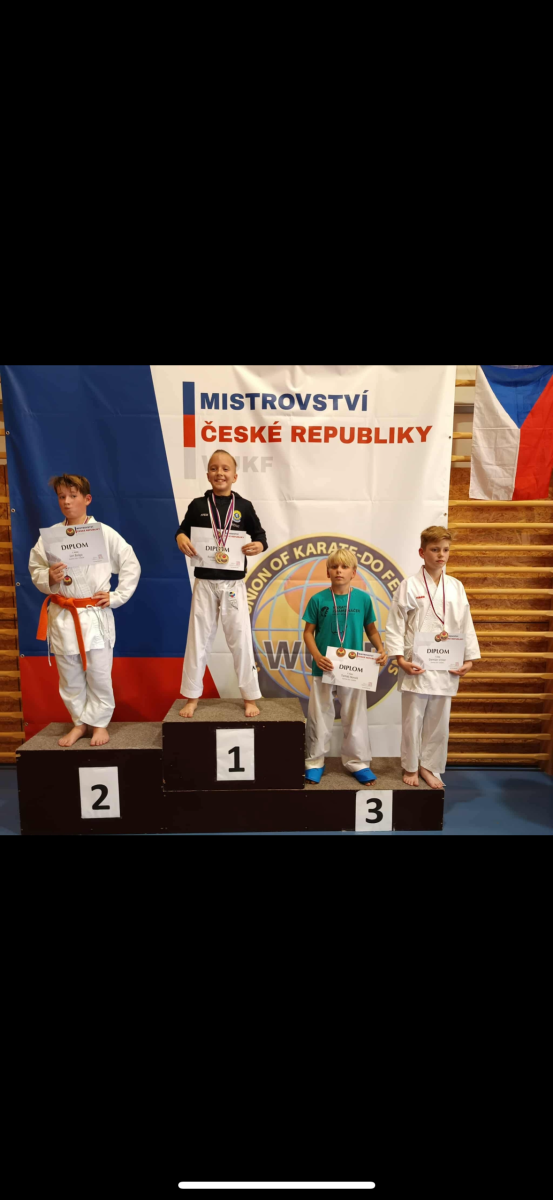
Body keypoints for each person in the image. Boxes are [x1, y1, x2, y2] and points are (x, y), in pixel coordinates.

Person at [29, 474, 141, 747]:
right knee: (69, 676)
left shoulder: (104, 533)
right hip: (64, 615)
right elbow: (35, 568)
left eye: (73, 496)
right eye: (62, 497)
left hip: (93, 613)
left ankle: (100, 723)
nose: (67, 502)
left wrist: (116, 596)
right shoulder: (51, 537)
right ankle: (79, 723)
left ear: (87, 499)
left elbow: (131, 564)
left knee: (99, 674)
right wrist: (49, 577)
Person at [385, 525, 480, 789]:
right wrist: (399, 659)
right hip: (417, 662)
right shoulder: (409, 585)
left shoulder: (456, 586)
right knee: (412, 719)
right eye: (435, 549)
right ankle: (410, 765)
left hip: (447, 662)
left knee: (439, 721)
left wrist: (469, 658)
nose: (441, 555)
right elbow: (395, 624)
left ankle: (429, 766)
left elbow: (466, 623)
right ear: (422, 552)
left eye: (445, 550)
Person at [175, 450, 267, 718]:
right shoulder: (198, 505)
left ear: (235, 476)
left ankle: (250, 696)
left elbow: (261, 536)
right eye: (214, 468)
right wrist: (180, 538)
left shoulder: (244, 506)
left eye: (226, 469)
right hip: (204, 582)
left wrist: (258, 545)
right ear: (208, 475)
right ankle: (192, 696)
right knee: (197, 640)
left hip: (233, 584)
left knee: (241, 640)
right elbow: (182, 530)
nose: (220, 473)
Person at [302, 548, 387, 785]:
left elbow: (371, 629)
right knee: (319, 715)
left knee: (355, 715)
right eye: (334, 567)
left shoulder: (363, 599)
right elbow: (308, 633)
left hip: (354, 668)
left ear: (354, 572)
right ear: (327, 571)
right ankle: (314, 762)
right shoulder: (318, 599)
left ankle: (357, 762)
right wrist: (317, 656)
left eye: (344, 567)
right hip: (325, 666)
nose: (339, 571)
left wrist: (381, 648)